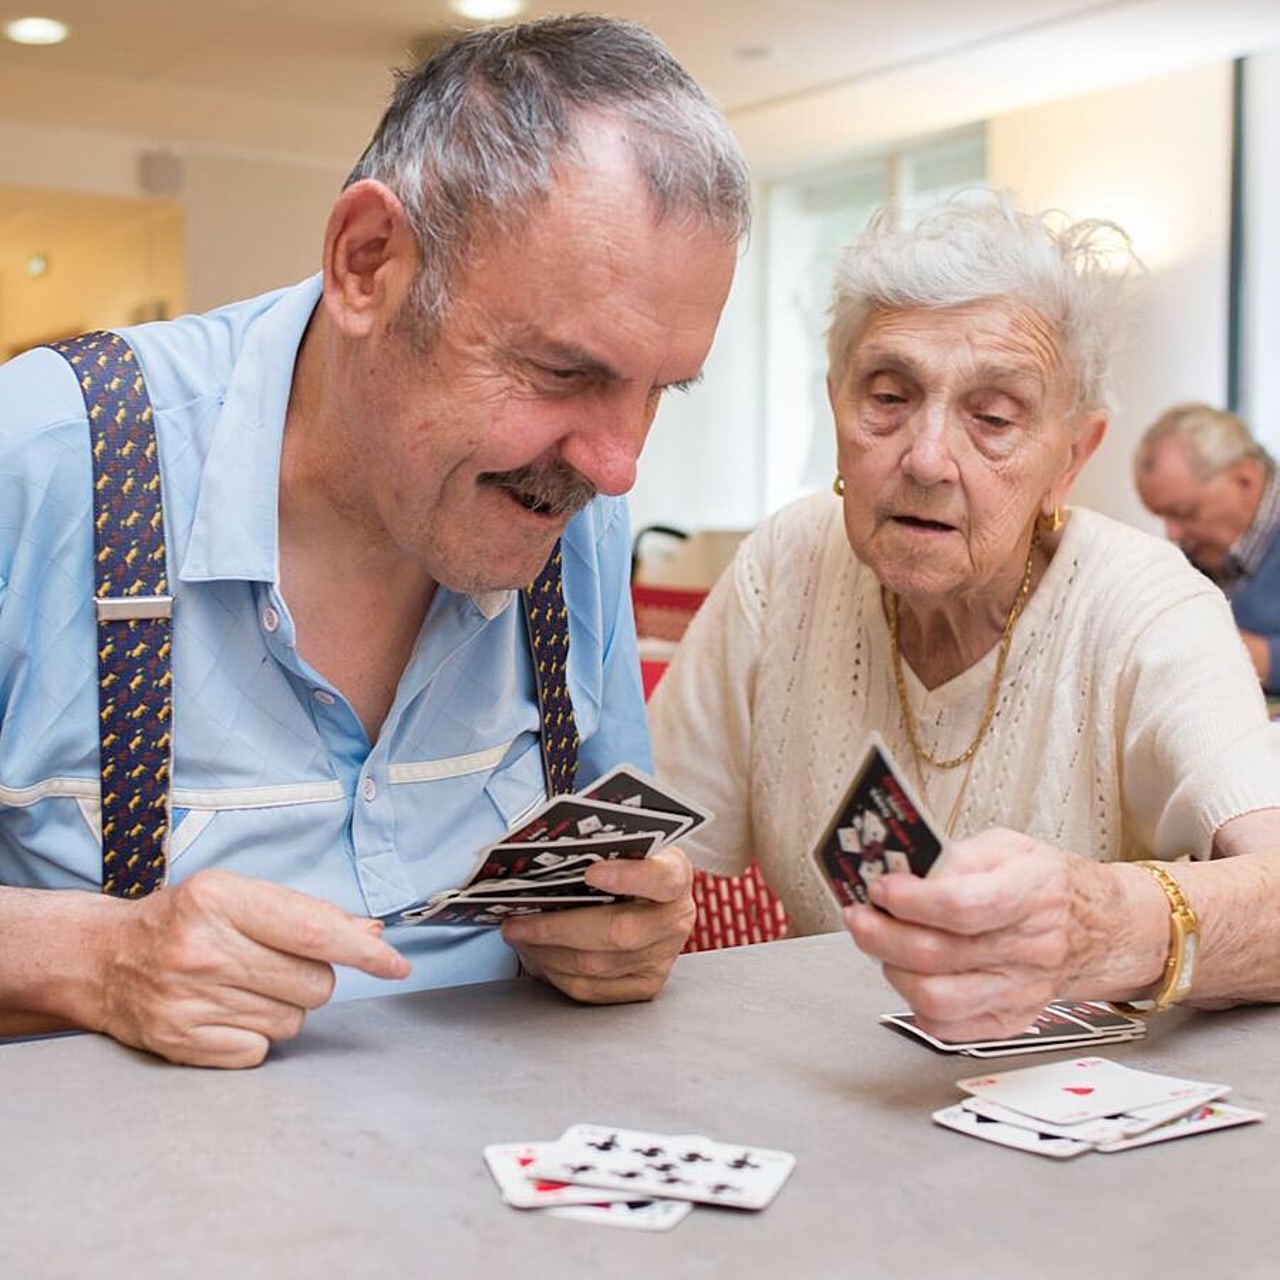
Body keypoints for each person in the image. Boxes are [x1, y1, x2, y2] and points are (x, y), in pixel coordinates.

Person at [0, 16, 750, 1067]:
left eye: (656, 390)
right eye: (563, 371)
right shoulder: (38, 458)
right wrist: (94, 953)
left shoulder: (571, 498)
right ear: (366, 264)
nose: (617, 464)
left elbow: (614, 868)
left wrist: (623, 931)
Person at [650, 193, 1280, 1044]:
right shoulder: (784, 566)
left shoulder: (1147, 605)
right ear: (835, 408)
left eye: (992, 417)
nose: (927, 459)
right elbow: (663, 850)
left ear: (1071, 457)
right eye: (888, 396)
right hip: (831, 1098)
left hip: (1092, 1128)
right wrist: (623, 919)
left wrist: (1106, 924)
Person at [1134, 403, 1280, 692]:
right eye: (1161, 516)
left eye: (1185, 512)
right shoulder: (1192, 559)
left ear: (1245, 480)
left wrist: (1260, 658)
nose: (1172, 534)